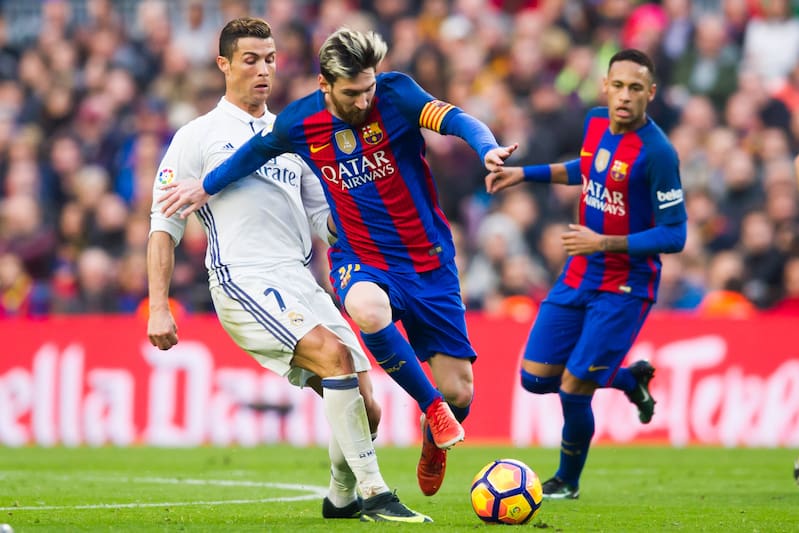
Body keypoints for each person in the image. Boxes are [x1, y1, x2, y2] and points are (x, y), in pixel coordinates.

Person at [157, 27, 518, 497]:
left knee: (462, 393)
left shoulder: (397, 93)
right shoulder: (299, 122)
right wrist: (205, 185)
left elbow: (458, 120)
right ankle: (430, 409)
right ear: (325, 85)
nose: (364, 99)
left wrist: (486, 146)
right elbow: (249, 157)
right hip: (360, 257)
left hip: (428, 259)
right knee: (367, 311)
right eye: (353, 92)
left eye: (369, 87)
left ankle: (436, 430)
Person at [147, 17, 430, 523]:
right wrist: (160, 307)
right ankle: (375, 492)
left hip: (302, 279)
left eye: (270, 59)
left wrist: (379, 241)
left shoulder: (290, 134)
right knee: (335, 357)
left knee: (368, 406)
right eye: (251, 60)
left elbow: (326, 219)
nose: (263, 70)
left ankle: (340, 498)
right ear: (224, 65)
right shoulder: (197, 137)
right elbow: (163, 226)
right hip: (243, 277)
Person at [486, 49, 687, 499]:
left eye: (636, 88)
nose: (625, 96)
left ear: (650, 94)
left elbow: (675, 235)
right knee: (536, 379)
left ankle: (567, 481)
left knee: (575, 386)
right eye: (618, 86)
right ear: (605, 86)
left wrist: (605, 243)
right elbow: (586, 168)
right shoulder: (596, 123)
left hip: (624, 285)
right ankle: (628, 378)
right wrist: (524, 175)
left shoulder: (658, 153)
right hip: (579, 272)